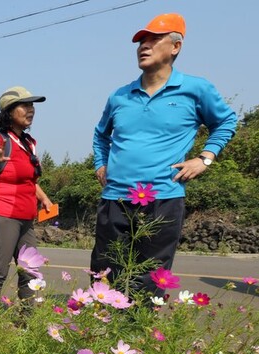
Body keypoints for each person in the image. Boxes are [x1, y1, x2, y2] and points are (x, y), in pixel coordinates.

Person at [91, 13, 237, 295]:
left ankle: (137, 335)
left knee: (149, 278)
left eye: (153, 40)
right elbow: (100, 135)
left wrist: (205, 158)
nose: (143, 46)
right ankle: (101, 335)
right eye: (140, 42)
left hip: (163, 198)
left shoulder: (195, 88)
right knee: (104, 272)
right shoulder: (120, 95)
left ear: (175, 47)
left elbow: (226, 122)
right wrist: (101, 163)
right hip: (114, 199)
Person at [0, 87, 53, 301]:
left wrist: (43, 198)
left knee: (30, 270)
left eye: (32, 105)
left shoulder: (29, 142)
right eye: (25, 105)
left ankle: (26, 321)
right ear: (9, 112)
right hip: (4, 215)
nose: (31, 110)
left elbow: (28, 179)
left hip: (27, 217)